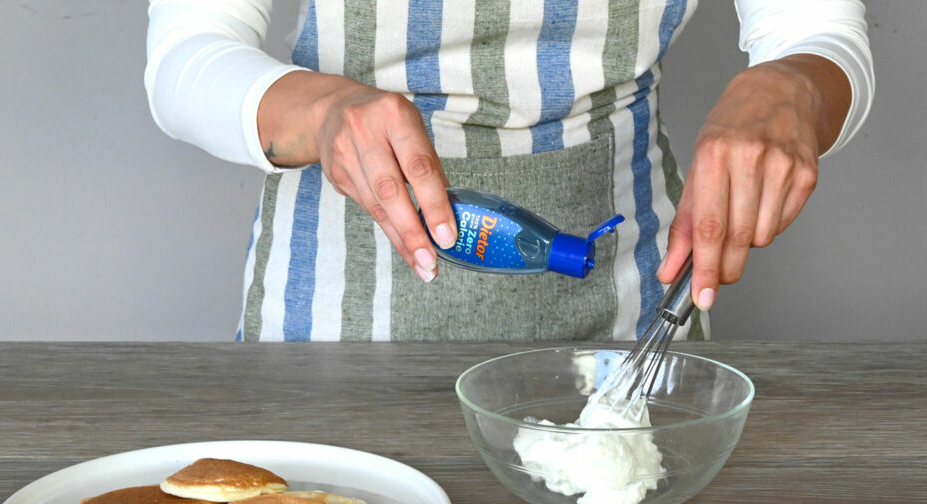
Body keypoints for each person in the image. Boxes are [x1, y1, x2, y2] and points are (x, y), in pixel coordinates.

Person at [144, 0, 874, 342]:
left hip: (627, 318)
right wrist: (325, 111)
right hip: (328, 329)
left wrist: (793, 90)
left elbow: (817, 33)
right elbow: (183, 59)